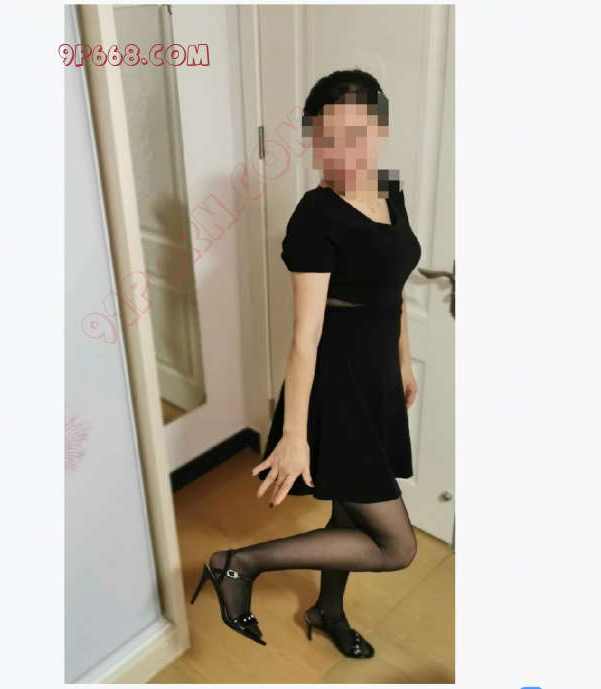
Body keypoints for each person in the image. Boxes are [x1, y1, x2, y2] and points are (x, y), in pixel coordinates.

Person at [191, 69, 423, 659]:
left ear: (382, 130)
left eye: (356, 135)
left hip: (377, 377)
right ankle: (236, 563)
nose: (341, 153)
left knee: (349, 512)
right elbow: (305, 336)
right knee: (396, 546)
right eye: (326, 139)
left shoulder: (390, 189)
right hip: (336, 386)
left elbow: (393, 287)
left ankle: (327, 610)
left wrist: (403, 361)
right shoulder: (315, 216)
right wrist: (295, 436)